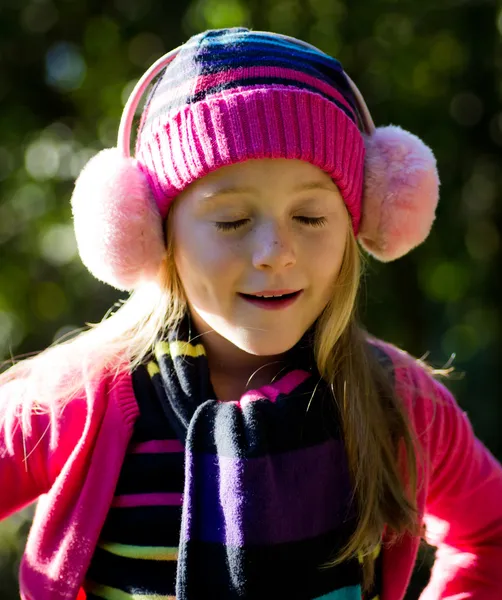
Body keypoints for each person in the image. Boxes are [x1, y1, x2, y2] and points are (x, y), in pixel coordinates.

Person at [1, 27, 501, 600]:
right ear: (150, 231)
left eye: (310, 218)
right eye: (232, 220)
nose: (275, 252)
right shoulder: (71, 403)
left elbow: (489, 534)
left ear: (360, 224)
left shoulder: (399, 402)